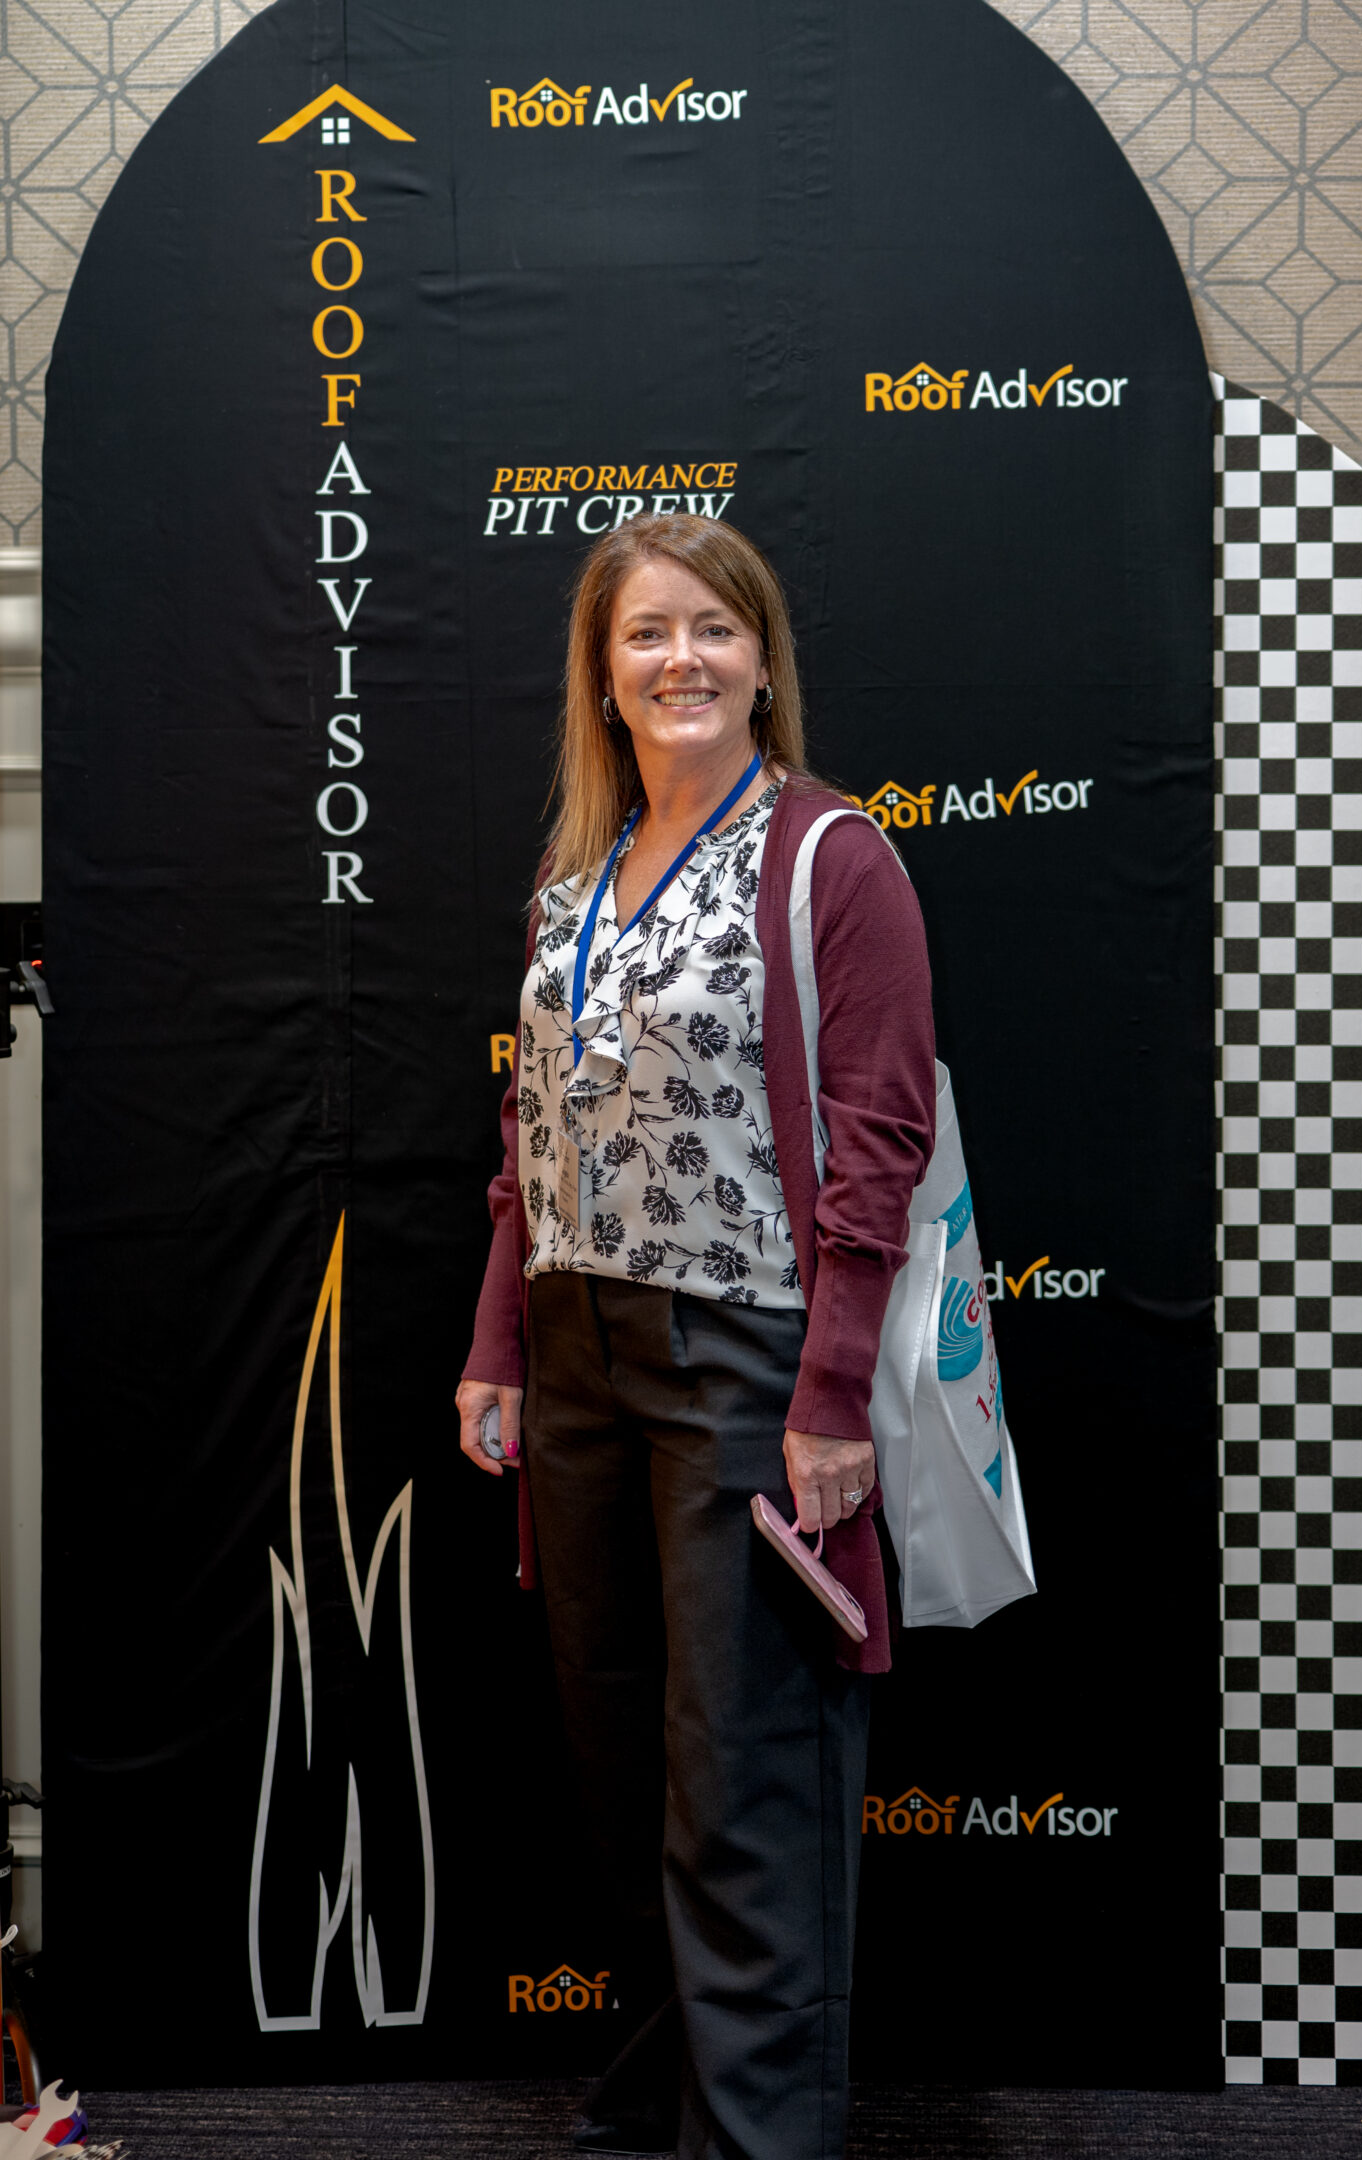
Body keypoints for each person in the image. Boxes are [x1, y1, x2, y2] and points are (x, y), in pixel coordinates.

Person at [457, 514, 936, 2160]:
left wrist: (831, 1387)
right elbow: (533, 1142)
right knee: (619, 1759)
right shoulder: (573, 880)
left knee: (745, 1777)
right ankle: (662, 2109)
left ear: (761, 657)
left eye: (713, 631)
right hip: (584, 1356)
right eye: (649, 634)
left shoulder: (828, 854)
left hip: (744, 1355)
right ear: (603, 673)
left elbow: (879, 1135)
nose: (683, 660)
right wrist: (499, 1344)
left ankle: (758, 2140)